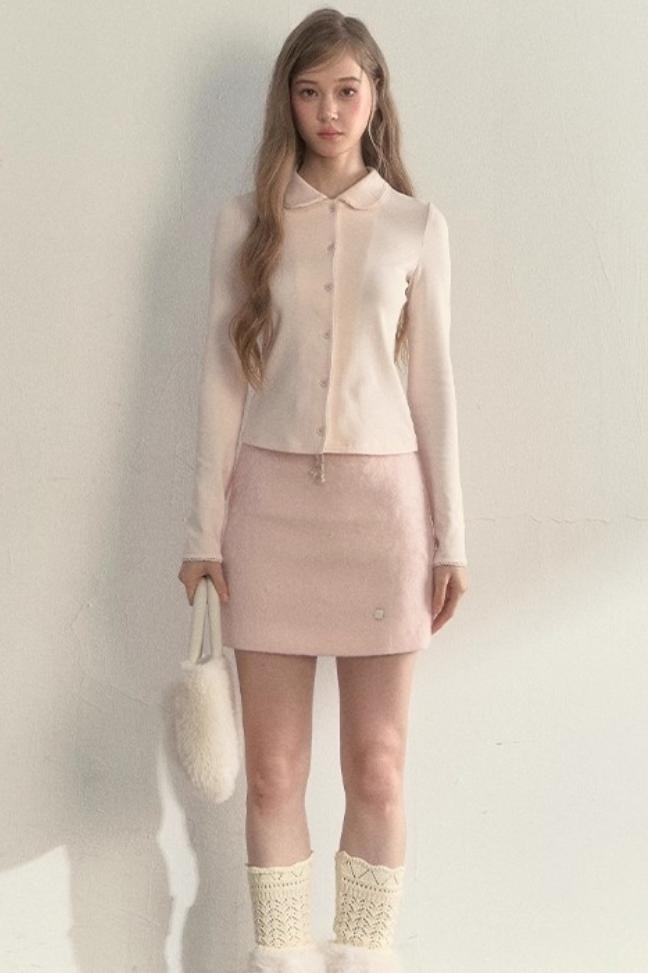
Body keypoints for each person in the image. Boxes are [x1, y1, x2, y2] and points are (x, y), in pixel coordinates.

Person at [178, 8, 468, 972]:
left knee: (377, 767)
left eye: (347, 90)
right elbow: (221, 381)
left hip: (384, 520)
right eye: (309, 93)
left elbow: (434, 390)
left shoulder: (416, 225)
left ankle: (364, 959)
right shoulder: (246, 222)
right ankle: (280, 961)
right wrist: (202, 530)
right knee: (272, 772)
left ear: (376, 95)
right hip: (268, 516)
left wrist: (452, 538)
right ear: (288, 103)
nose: (329, 111)